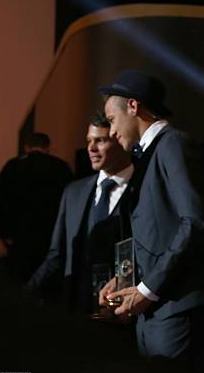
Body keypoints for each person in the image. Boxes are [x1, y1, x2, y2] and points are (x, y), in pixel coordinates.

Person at [98, 70, 204, 373]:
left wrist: (147, 289)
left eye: (111, 120)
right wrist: (126, 283)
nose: (111, 132)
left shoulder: (173, 144)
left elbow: (195, 223)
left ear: (134, 107)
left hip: (176, 312)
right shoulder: (151, 153)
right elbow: (156, 233)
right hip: (155, 313)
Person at [27, 113, 133, 314]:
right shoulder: (73, 192)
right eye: (89, 141)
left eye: (100, 140)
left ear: (120, 141)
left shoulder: (144, 189)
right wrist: (24, 295)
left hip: (126, 316)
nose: (91, 149)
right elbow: (55, 256)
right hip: (77, 311)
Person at [0, 132, 73, 284]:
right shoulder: (60, 167)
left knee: (12, 292)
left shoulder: (13, 166)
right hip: (49, 241)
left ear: (26, 147)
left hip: (17, 243)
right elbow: (72, 202)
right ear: (47, 148)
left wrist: (4, 231)